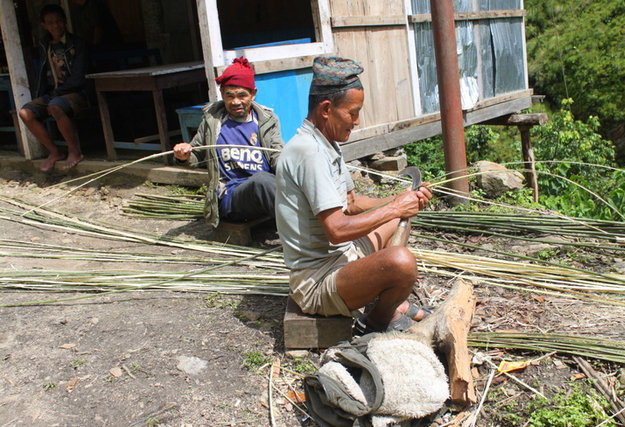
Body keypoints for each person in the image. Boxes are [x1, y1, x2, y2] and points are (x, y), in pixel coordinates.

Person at [275, 56, 433, 334]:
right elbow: (336, 229)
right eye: (353, 112)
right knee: (402, 262)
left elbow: (351, 202)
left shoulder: (327, 143)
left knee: (393, 222)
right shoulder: (308, 152)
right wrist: (396, 209)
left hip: (342, 258)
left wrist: (401, 200)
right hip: (317, 281)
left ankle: (387, 302)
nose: (357, 121)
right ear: (326, 109)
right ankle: (376, 320)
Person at [173, 58, 283, 228]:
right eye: (229, 95)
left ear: (253, 94)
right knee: (262, 181)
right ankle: (302, 240)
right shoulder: (213, 121)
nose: (235, 102)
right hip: (231, 197)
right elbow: (195, 155)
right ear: (222, 94)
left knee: (279, 181)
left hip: (266, 192)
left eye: (242, 95)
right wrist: (183, 155)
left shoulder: (266, 120)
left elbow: (277, 156)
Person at [19, 4, 89, 172]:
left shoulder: (77, 44)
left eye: (58, 21)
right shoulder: (45, 46)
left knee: (55, 106)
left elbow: (79, 78)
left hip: (76, 93)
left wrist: (55, 94)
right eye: (50, 23)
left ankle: (74, 151)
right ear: (44, 25)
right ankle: (54, 151)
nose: (55, 25)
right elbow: (43, 75)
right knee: (25, 113)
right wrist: (41, 96)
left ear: (65, 22)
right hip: (53, 94)